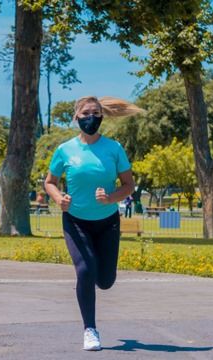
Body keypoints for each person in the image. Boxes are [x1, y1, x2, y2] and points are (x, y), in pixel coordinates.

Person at [44, 96, 142, 351]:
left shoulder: (114, 148)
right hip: (76, 221)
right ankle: (90, 330)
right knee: (85, 271)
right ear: (76, 117)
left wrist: (111, 198)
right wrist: (58, 198)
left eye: (96, 113)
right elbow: (50, 182)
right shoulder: (65, 150)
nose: (91, 117)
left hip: (107, 222)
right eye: (86, 113)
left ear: (102, 116)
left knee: (106, 281)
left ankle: (98, 277)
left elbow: (129, 185)